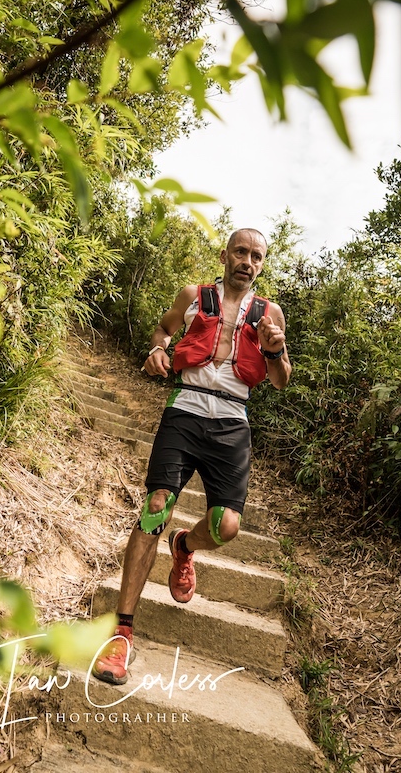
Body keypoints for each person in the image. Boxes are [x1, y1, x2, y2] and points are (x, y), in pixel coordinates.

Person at [92, 228, 291, 685]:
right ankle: (122, 633)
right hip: (185, 408)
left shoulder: (270, 314)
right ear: (225, 255)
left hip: (233, 419)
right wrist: (156, 349)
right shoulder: (193, 295)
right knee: (155, 507)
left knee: (226, 526)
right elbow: (163, 330)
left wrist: (275, 350)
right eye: (240, 252)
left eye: (256, 256)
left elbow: (281, 380)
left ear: (262, 264)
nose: (247, 261)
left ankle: (184, 547)